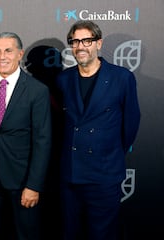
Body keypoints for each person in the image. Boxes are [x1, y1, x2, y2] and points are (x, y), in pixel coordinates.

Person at [56, 20, 141, 240]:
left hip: (104, 175)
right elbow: (59, 125)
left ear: (98, 43)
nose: (80, 46)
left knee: (102, 234)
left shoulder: (122, 78)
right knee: (69, 233)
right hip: (70, 175)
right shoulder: (63, 79)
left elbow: (130, 125)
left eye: (86, 40)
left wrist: (107, 150)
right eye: (75, 41)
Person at [0, 32, 52, 240]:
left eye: (8, 51)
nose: (2, 56)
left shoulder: (37, 91)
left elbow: (43, 141)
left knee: (26, 233)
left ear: (20, 54)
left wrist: (33, 185)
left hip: (22, 179)